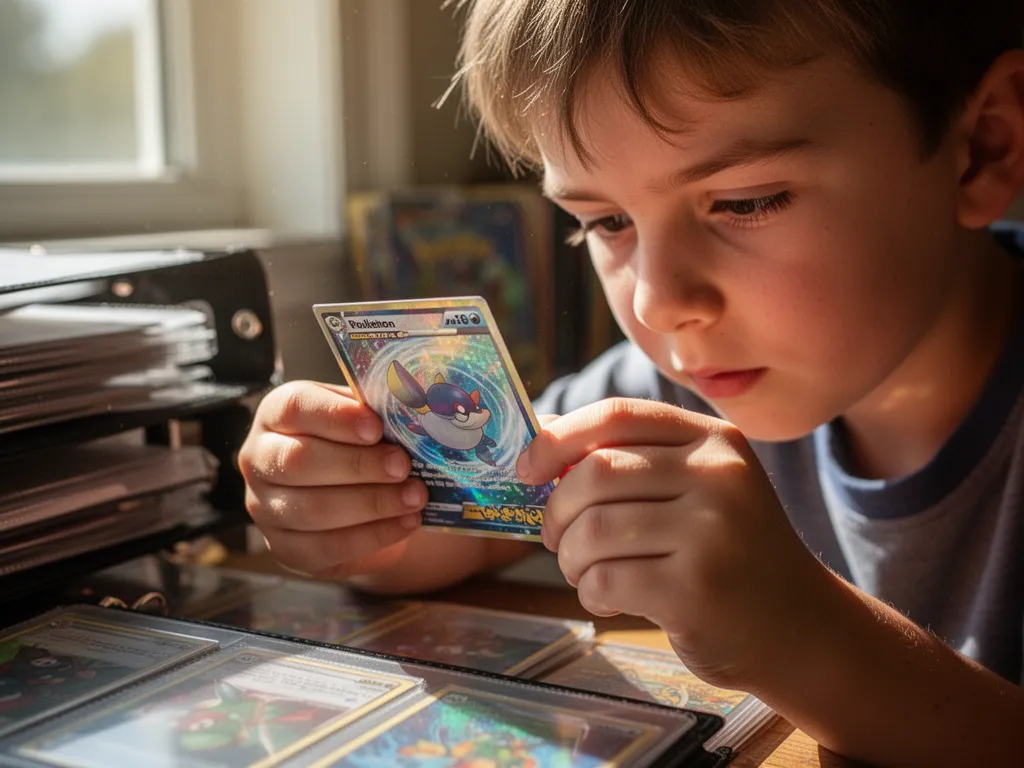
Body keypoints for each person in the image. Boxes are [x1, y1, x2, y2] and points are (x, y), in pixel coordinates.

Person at [238, 1, 1024, 764]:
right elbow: (465, 526)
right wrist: (352, 505)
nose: (655, 303)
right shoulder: (672, 389)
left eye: (746, 201)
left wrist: (810, 640)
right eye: (607, 222)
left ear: (983, 148)